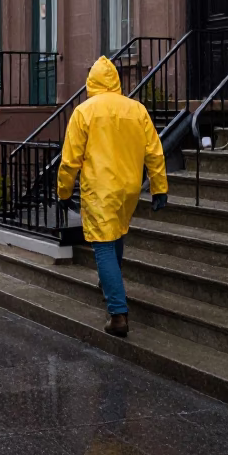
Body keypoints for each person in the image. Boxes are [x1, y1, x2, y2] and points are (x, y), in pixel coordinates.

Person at [57, 56, 168, 338]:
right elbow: (154, 152)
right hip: (129, 188)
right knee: (116, 235)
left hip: (100, 188)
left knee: (103, 245)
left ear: (91, 82)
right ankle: (110, 282)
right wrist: (159, 188)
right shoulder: (137, 109)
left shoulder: (84, 112)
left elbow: (70, 160)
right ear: (117, 81)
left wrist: (64, 191)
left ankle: (117, 312)